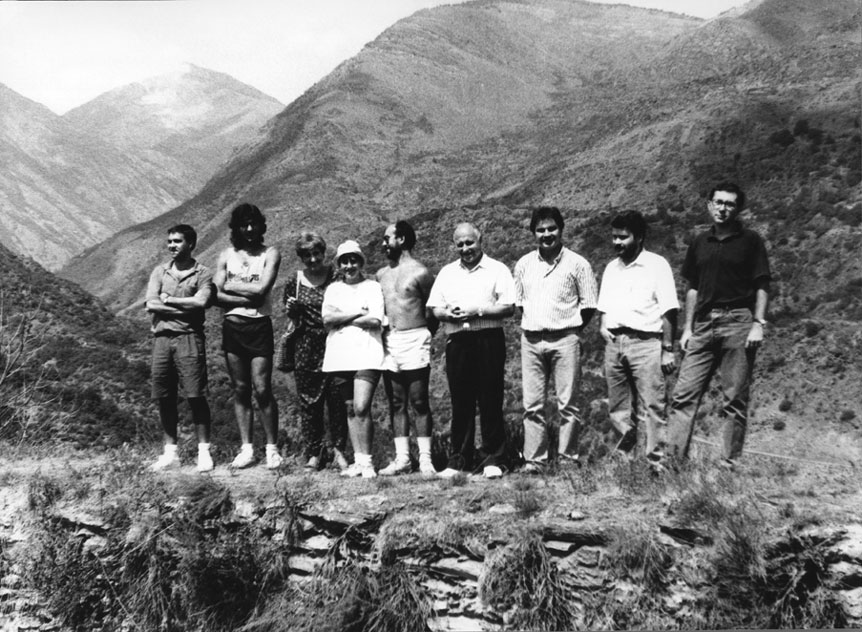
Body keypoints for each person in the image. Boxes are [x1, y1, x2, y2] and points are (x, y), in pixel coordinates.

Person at [666, 182, 770, 469]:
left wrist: (758, 323)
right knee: (683, 395)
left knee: (734, 397)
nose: (723, 208)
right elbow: (692, 288)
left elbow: (762, 284)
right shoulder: (700, 242)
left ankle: (729, 463)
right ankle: (673, 462)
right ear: (709, 205)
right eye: (719, 202)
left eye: (730, 204)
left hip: (738, 321)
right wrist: (687, 328)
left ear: (738, 208)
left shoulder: (751, 241)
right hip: (703, 324)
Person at [427, 222, 515, 479]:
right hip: (458, 341)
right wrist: (447, 314)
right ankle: (459, 460)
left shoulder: (497, 269)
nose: (466, 248)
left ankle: (493, 459)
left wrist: (477, 311)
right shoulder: (446, 273)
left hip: (488, 338)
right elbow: (435, 308)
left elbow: (508, 306)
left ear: (480, 240)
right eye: (460, 244)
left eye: (470, 242)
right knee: (461, 401)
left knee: (490, 398)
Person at [513, 207, 598, 473]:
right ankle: (535, 461)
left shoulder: (578, 264)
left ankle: (568, 459)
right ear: (533, 233)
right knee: (532, 405)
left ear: (561, 229)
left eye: (552, 229)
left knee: (568, 405)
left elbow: (588, 306)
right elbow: (519, 304)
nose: (546, 234)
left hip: (565, 340)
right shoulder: (524, 264)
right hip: (531, 340)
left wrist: (567, 328)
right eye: (541, 230)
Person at [596, 210, 678, 461]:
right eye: (614, 237)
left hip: (647, 343)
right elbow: (604, 305)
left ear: (639, 237)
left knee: (653, 405)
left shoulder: (657, 265)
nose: (617, 243)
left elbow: (669, 310)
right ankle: (624, 460)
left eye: (623, 237)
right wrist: (602, 326)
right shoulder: (612, 268)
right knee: (618, 408)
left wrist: (667, 348)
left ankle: (657, 462)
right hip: (615, 343)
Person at [214, 203, 283, 469]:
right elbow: (214, 295)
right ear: (237, 228)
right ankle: (246, 449)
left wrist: (231, 286)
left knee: (262, 388)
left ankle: (272, 449)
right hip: (233, 326)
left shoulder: (270, 253)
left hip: (259, 324)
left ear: (261, 225)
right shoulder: (225, 255)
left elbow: (262, 291)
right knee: (240, 388)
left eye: (254, 224)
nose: (250, 229)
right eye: (244, 225)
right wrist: (245, 291)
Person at [145, 224, 215, 472]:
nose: (172, 245)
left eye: (178, 241)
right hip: (162, 338)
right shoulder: (159, 271)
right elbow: (151, 304)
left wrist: (170, 301)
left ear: (191, 244)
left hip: (189, 337)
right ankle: (170, 453)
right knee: (164, 396)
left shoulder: (202, 274)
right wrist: (185, 306)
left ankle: (204, 451)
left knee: (195, 395)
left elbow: (202, 302)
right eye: (170, 241)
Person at [376, 221, 438, 477]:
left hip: (415, 337)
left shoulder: (421, 273)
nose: (382, 243)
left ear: (401, 239)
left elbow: (432, 309)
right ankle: (403, 458)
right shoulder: (381, 274)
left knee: (419, 400)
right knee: (397, 401)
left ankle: (425, 459)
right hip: (390, 339)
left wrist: (423, 335)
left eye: (386, 238)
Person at [283, 232, 349, 471]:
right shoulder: (295, 280)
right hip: (306, 345)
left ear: (324, 253)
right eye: (307, 255)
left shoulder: (337, 275)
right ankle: (314, 453)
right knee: (309, 402)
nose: (312, 259)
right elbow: (289, 313)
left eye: (316, 253)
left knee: (338, 400)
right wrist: (291, 310)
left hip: (335, 341)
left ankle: (340, 451)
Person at [321, 240, 385, 478]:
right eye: (345, 261)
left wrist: (342, 317)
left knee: (361, 406)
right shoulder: (333, 289)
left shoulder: (372, 287)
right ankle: (358, 461)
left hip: (367, 353)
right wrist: (359, 312)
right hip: (339, 355)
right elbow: (327, 320)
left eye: (354, 260)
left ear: (361, 262)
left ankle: (367, 461)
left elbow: (376, 320)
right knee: (349, 409)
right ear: (339, 264)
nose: (349, 265)